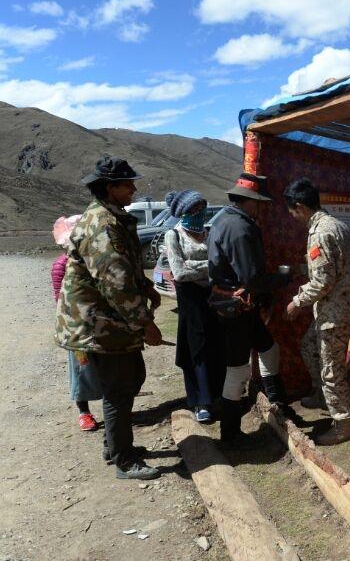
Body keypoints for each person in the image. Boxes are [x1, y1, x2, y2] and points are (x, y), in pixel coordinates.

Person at [56, 156, 164, 480]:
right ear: (110, 188)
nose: (133, 188)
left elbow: (126, 267)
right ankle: (124, 460)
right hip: (99, 323)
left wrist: (146, 286)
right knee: (120, 387)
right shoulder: (102, 224)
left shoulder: (112, 217)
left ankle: (114, 445)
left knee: (129, 380)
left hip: (108, 320)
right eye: (127, 184)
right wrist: (145, 322)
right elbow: (115, 281)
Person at [207, 172, 290, 444]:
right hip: (237, 309)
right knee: (238, 369)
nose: (261, 207)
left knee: (268, 348)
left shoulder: (223, 220)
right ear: (250, 201)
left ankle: (278, 405)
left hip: (240, 308)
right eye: (259, 202)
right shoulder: (240, 228)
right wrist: (283, 277)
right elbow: (252, 278)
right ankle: (230, 434)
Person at [284, 178, 350, 446]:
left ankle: (343, 425)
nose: (293, 217)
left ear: (300, 206)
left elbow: (323, 281)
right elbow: (333, 269)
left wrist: (297, 301)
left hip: (334, 314)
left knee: (332, 370)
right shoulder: (336, 225)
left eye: (292, 211)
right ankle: (321, 395)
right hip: (337, 309)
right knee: (309, 347)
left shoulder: (321, 232)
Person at [164, 190, 224, 424]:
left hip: (212, 298)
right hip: (190, 303)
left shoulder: (208, 234)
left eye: (202, 209)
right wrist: (209, 265)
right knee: (195, 349)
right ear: (183, 213)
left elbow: (221, 265)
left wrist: (196, 265)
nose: (200, 214)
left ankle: (217, 394)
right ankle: (201, 401)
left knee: (215, 345)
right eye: (194, 210)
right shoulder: (174, 236)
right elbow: (179, 272)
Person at [52, 215, 104, 432]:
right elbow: (60, 300)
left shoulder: (95, 261)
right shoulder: (61, 266)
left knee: (107, 366)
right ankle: (84, 412)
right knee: (81, 369)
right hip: (77, 327)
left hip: (101, 323)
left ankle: (113, 408)